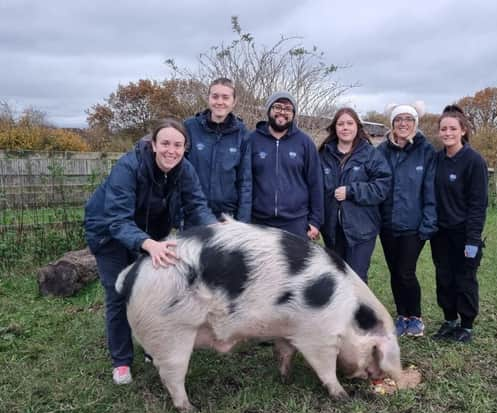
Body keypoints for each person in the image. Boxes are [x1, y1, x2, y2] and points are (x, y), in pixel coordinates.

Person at [84, 118, 217, 385]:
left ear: (185, 148)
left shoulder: (184, 169)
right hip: (108, 232)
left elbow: (196, 206)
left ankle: (150, 345)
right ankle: (121, 361)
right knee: (118, 294)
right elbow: (118, 220)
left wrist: (217, 230)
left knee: (153, 292)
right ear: (153, 145)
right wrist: (149, 244)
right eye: (165, 143)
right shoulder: (128, 167)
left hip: (150, 232)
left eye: (178, 145)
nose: (172, 150)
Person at [377, 102, 438, 337]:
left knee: (406, 271)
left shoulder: (426, 152)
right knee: (394, 271)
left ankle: (416, 317)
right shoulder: (381, 151)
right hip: (388, 224)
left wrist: (428, 223)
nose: (403, 124)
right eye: (398, 119)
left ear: (415, 124)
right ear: (392, 124)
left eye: (408, 120)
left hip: (414, 225)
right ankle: (402, 316)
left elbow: (430, 190)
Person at [430, 105, 488, 344]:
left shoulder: (474, 161)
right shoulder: (437, 159)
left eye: (453, 128)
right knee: (444, 277)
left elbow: (478, 203)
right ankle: (449, 320)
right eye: (443, 129)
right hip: (440, 232)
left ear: (463, 131)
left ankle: (466, 325)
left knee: (464, 278)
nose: (447, 133)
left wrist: (473, 239)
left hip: (465, 233)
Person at [319, 107, 391, 283]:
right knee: (336, 278)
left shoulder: (370, 154)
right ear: (335, 128)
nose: (345, 127)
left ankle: (359, 311)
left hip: (361, 229)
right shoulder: (323, 155)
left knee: (356, 279)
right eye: (341, 124)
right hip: (332, 229)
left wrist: (351, 191)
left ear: (357, 127)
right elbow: (314, 188)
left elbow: (382, 187)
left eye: (349, 123)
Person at [249, 91, 323, 239]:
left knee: (295, 263)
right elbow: (244, 182)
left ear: (293, 114)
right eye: (277, 107)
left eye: (288, 109)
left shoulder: (305, 142)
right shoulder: (252, 140)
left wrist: (315, 220)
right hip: (259, 222)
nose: (282, 112)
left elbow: (316, 183)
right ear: (269, 109)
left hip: (296, 222)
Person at [184, 77, 251, 222]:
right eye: (215, 96)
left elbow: (245, 182)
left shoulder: (243, 134)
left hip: (226, 218)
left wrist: (242, 223)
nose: (219, 102)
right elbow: (178, 172)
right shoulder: (189, 127)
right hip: (193, 213)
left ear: (234, 101)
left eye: (225, 97)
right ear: (208, 99)